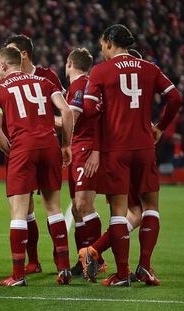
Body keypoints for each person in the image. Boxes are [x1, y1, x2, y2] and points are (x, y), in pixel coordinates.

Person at [81, 24, 181, 286]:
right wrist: (159, 127)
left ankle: (123, 274)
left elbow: (90, 110)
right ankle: (145, 267)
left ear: (109, 43)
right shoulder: (149, 68)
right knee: (150, 208)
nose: (102, 49)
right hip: (145, 147)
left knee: (118, 212)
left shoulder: (100, 71)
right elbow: (175, 99)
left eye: (103, 44)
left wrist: (100, 107)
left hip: (116, 150)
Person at [0, 46, 73, 286]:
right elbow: (66, 111)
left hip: (22, 147)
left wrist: (11, 151)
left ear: (4, 65)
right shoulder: (44, 82)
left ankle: (18, 275)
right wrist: (66, 144)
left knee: (19, 212)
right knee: (54, 208)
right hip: (49, 145)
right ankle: (64, 268)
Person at [4, 34, 65, 274]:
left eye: (10, 50)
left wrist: (46, 123)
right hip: (21, 148)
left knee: (49, 204)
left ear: (23, 54)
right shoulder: (8, 80)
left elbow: (65, 111)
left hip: (43, 145)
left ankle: (58, 259)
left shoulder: (47, 77)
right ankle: (33, 260)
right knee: (24, 206)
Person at [54, 48, 106, 277]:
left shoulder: (80, 84)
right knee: (76, 209)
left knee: (84, 205)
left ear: (70, 63)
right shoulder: (83, 84)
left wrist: (37, 120)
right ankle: (83, 259)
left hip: (84, 148)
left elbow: (71, 120)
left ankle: (98, 258)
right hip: (77, 149)